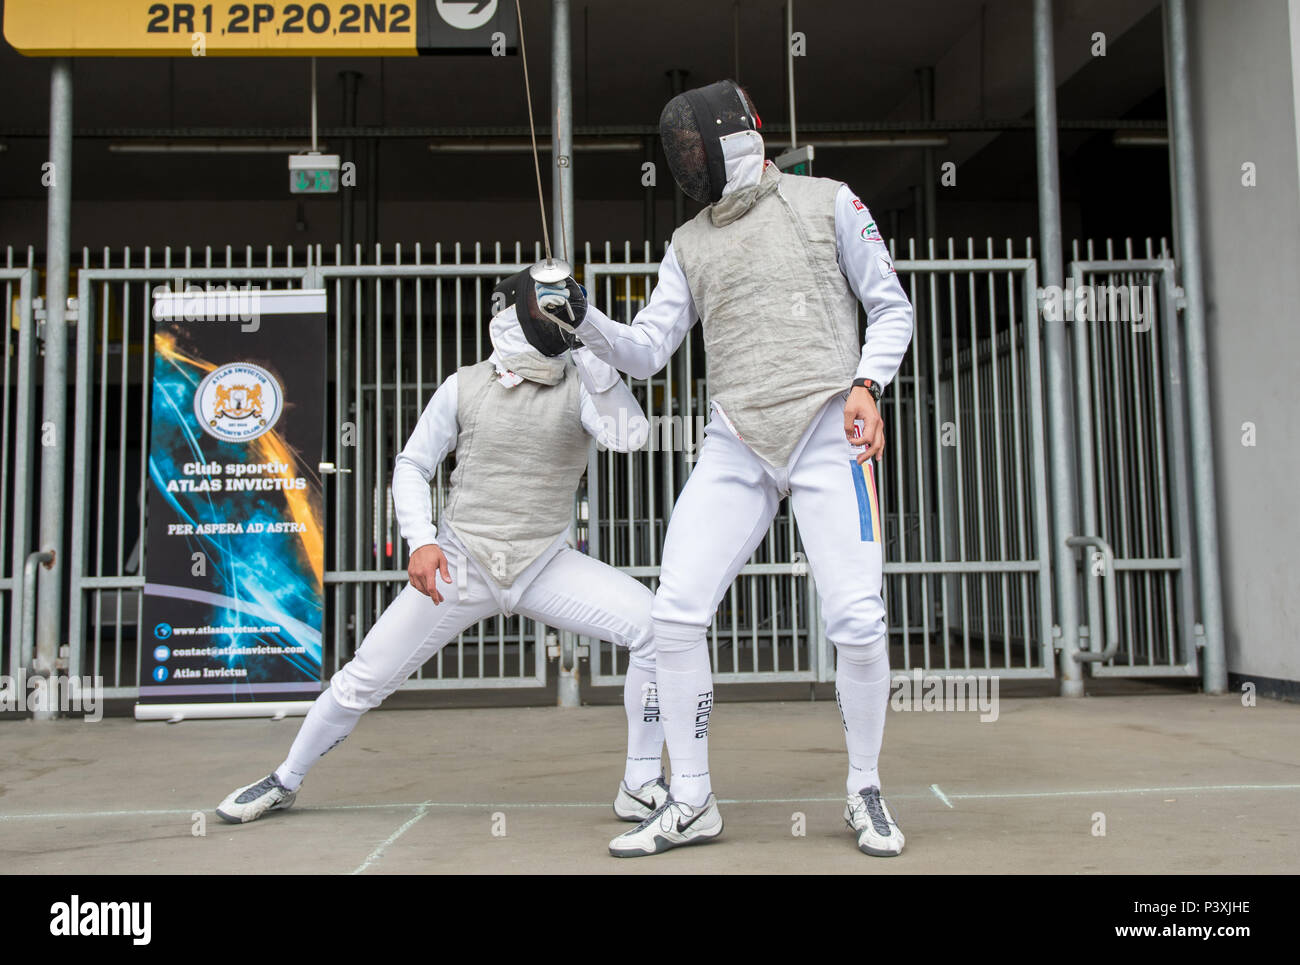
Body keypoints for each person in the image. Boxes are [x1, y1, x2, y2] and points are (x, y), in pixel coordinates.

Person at [567, 80, 915, 858]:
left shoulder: (828, 201)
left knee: (857, 620)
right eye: (677, 152)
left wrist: (868, 384)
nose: (686, 162)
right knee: (674, 614)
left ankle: (864, 785)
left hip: (830, 422)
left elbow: (891, 306)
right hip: (736, 440)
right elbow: (650, 349)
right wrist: (584, 318)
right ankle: (691, 799)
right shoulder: (689, 242)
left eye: (692, 148)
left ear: (729, 139)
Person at [216, 271, 670, 832]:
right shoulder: (463, 385)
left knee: (652, 626)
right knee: (364, 676)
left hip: (545, 563)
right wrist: (422, 541)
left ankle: (640, 781)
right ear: (511, 318)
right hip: (460, 563)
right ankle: (285, 778)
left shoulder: (581, 382)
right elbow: (412, 465)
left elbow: (631, 436)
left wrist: (599, 364)